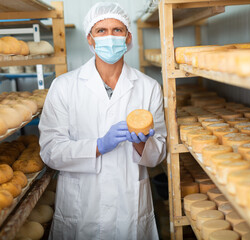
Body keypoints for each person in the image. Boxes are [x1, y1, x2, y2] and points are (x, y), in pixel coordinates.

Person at [39, 2, 167, 240]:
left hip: (129, 206)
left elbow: (158, 154)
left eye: (117, 30)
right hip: (82, 208)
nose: (110, 37)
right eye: (101, 31)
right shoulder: (64, 87)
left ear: (128, 38)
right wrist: (98, 146)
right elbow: (50, 152)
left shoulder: (149, 88)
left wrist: (141, 144)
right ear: (90, 38)